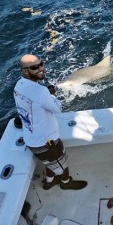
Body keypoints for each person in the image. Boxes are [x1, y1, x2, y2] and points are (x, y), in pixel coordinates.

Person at [13, 54, 87, 191]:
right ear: (24, 71)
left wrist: (45, 95)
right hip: (47, 144)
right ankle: (65, 183)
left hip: (31, 140)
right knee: (61, 165)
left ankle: (49, 182)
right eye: (35, 67)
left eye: (41, 64)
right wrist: (51, 94)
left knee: (50, 163)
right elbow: (58, 108)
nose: (41, 68)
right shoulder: (41, 92)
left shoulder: (18, 86)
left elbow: (33, 102)